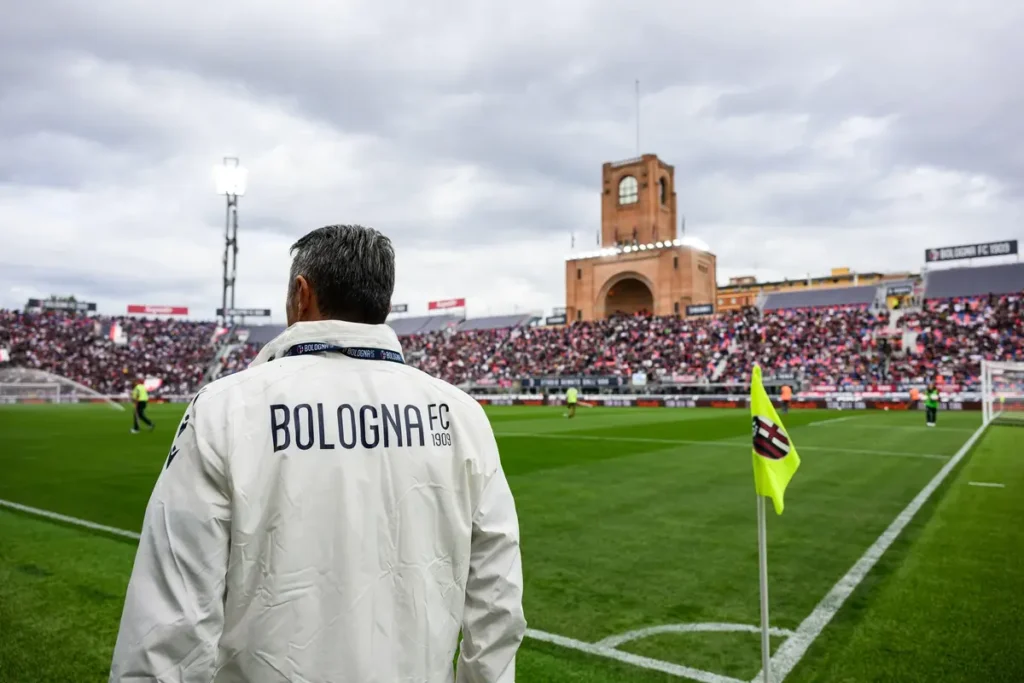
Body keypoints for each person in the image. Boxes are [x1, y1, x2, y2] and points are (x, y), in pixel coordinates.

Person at [110, 225, 526, 683]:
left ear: (301, 294)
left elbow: (169, 628)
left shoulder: (225, 408)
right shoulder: (462, 416)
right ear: (382, 305)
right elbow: (497, 604)